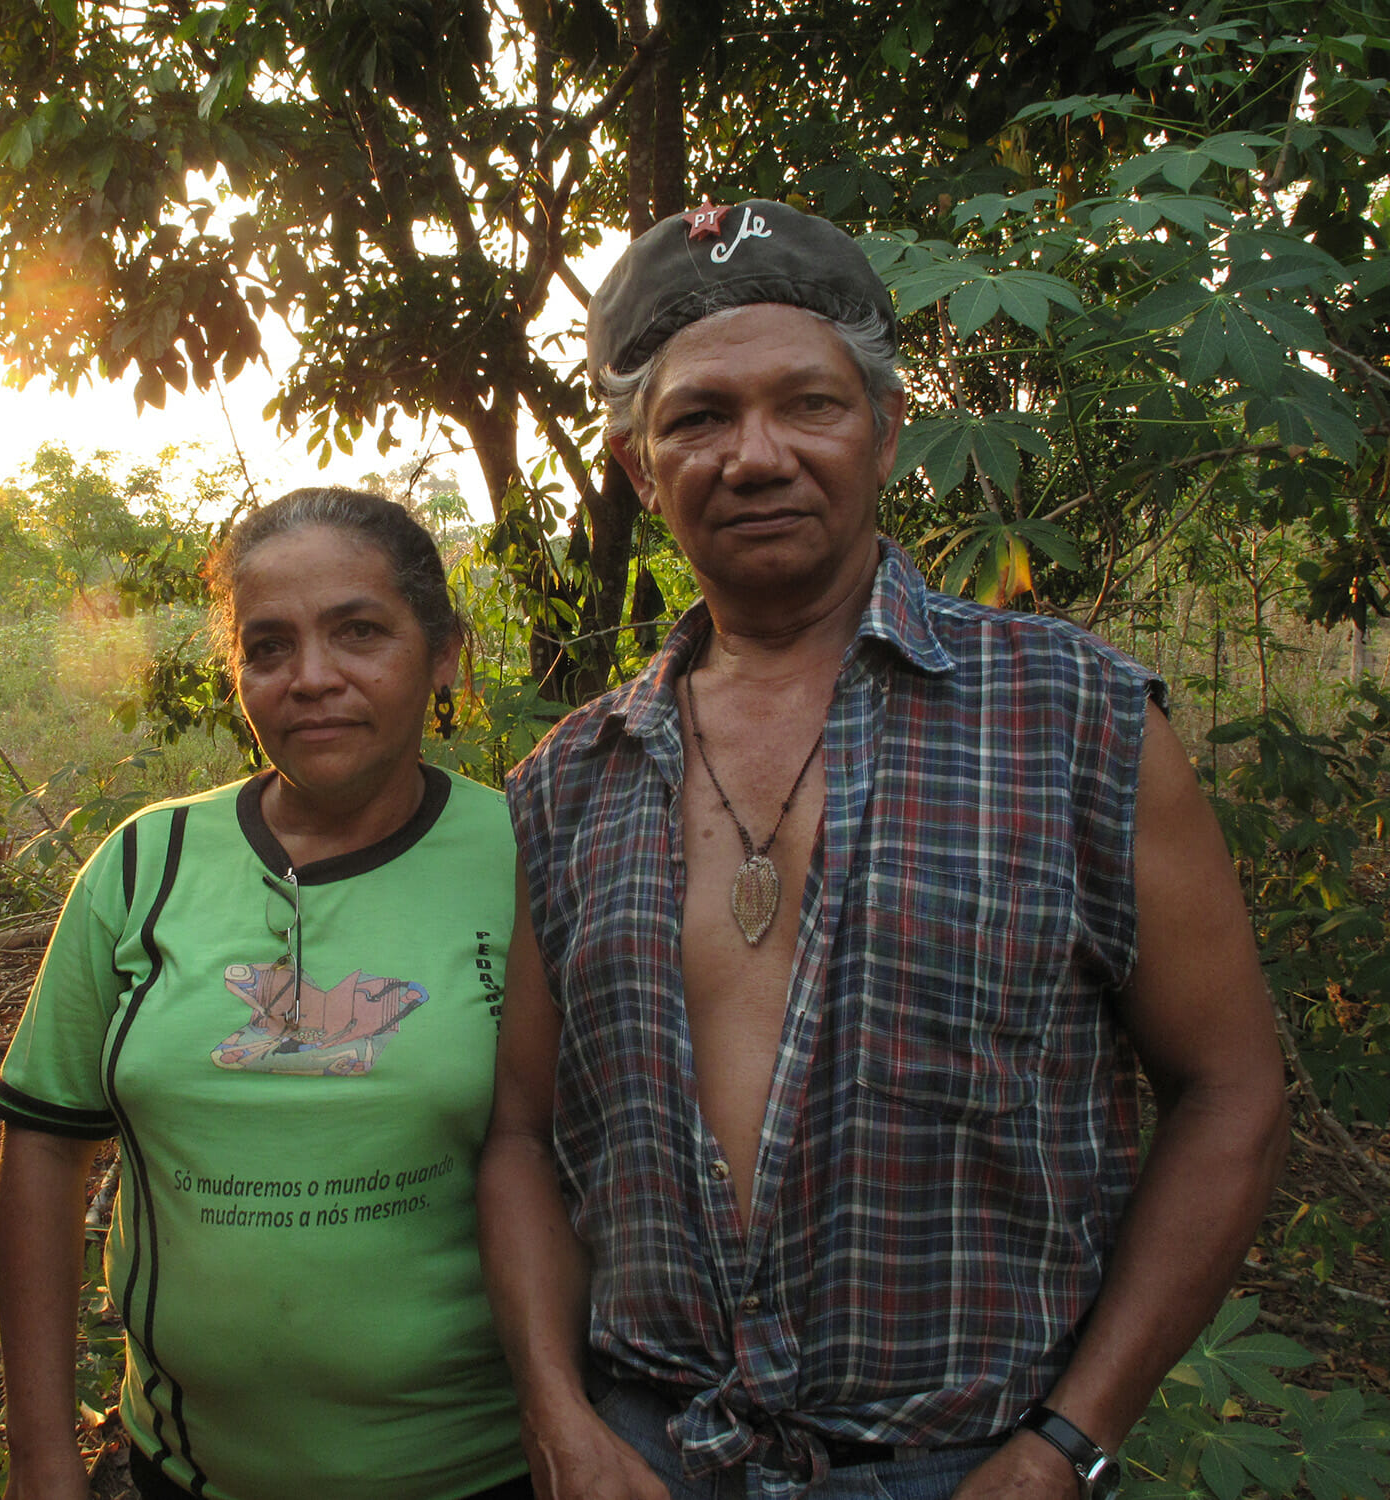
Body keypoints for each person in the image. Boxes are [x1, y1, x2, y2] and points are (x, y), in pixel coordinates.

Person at [477, 199, 1289, 1500]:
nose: (756, 456)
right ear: (637, 465)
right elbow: (516, 1135)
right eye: (698, 418)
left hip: (971, 1470)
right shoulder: (560, 787)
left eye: (809, 403)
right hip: (646, 1459)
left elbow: (1233, 1093)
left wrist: (1069, 1445)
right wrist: (558, 1413)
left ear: (887, 429)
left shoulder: (1077, 721)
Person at [0, 488, 532, 1500]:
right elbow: (43, 1145)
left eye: (359, 632)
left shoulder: (529, 859)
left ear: (444, 653)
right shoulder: (142, 867)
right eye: (268, 646)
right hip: (191, 1472)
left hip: (483, 1470)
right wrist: (42, 1455)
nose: (310, 679)